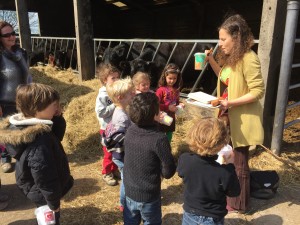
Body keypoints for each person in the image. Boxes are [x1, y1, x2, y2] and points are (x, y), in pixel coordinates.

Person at [205, 14, 265, 213]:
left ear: (236, 36)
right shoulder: (234, 58)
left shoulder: (249, 59)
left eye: (223, 39)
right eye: (219, 39)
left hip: (242, 119)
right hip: (229, 116)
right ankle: (231, 196)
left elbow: (258, 91)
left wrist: (231, 102)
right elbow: (223, 77)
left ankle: (241, 205)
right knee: (230, 159)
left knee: (240, 163)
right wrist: (210, 60)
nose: (220, 43)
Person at [0, 83, 74, 225]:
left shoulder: (30, 126)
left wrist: (57, 116)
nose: (57, 107)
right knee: (50, 219)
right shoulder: (40, 141)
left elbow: (56, 135)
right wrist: (53, 202)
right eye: (54, 105)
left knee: (44, 212)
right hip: (43, 192)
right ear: (37, 109)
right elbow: (44, 174)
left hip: (37, 187)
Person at [123, 92, 176, 225]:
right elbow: (168, 171)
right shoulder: (159, 139)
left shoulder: (129, 131)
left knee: (130, 221)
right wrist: (162, 173)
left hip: (129, 191)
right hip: (149, 196)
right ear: (155, 115)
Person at [177, 117, 241, 225]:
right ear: (222, 144)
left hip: (190, 213)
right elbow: (234, 192)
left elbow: (181, 173)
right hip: (213, 218)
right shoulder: (224, 172)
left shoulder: (185, 159)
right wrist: (230, 165)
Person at [0, 20, 31, 173]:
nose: (11, 37)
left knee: (22, 131)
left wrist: (32, 93)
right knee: (6, 132)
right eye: (6, 35)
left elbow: (28, 75)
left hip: (23, 101)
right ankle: (5, 157)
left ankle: (23, 159)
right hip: (5, 102)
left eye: (13, 33)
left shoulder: (22, 52)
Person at [101, 77, 135, 211]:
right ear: (121, 97)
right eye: (130, 93)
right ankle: (123, 203)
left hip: (119, 153)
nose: (133, 94)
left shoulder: (120, 110)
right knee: (126, 181)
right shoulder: (122, 117)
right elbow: (121, 138)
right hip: (121, 155)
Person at [95, 63, 120, 186]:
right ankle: (106, 172)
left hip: (117, 127)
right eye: (113, 78)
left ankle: (114, 169)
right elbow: (101, 112)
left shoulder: (116, 92)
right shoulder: (103, 95)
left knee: (118, 150)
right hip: (107, 129)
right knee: (109, 152)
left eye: (117, 77)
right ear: (105, 80)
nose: (116, 80)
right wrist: (113, 105)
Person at [156, 63, 185, 142]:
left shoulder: (176, 90)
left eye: (175, 78)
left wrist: (180, 104)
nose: (172, 81)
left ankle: (167, 148)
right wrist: (167, 107)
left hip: (171, 117)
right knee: (160, 135)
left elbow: (176, 101)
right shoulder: (161, 90)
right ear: (165, 76)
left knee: (169, 134)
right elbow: (155, 104)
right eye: (170, 78)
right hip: (161, 117)